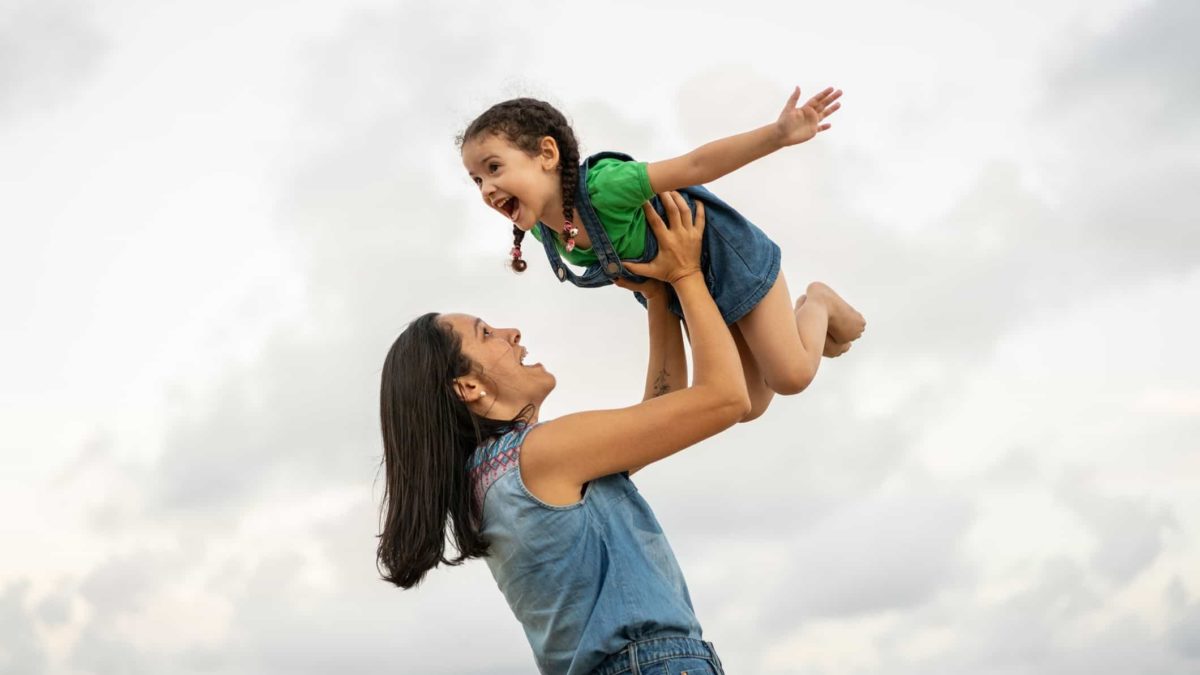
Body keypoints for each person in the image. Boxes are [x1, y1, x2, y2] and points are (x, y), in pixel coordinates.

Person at [381, 193, 856, 673]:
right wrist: (685, 274)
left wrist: (656, 298)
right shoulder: (541, 455)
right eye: (486, 335)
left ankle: (814, 308)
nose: (511, 332)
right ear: (468, 386)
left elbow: (662, 412)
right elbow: (725, 398)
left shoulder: (489, 479)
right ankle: (815, 305)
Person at [458, 86, 866, 421]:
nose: (486, 189)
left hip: (729, 260)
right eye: (476, 179)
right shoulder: (546, 234)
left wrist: (777, 135)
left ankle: (818, 302)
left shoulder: (605, 185)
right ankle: (796, 331)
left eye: (494, 168)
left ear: (547, 155)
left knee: (791, 376)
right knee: (746, 405)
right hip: (686, 291)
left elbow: (695, 165)